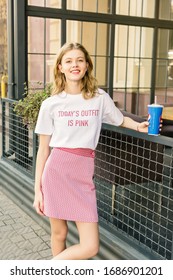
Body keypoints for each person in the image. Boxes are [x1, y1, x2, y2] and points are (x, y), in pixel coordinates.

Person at [33, 42, 149, 260]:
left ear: (87, 65)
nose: (74, 65)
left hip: (83, 173)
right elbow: (43, 150)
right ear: (60, 67)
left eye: (79, 60)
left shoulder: (98, 97)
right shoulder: (50, 104)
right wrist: (37, 190)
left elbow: (120, 119)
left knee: (90, 246)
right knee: (59, 233)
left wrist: (138, 125)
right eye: (68, 61)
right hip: (56, 171)